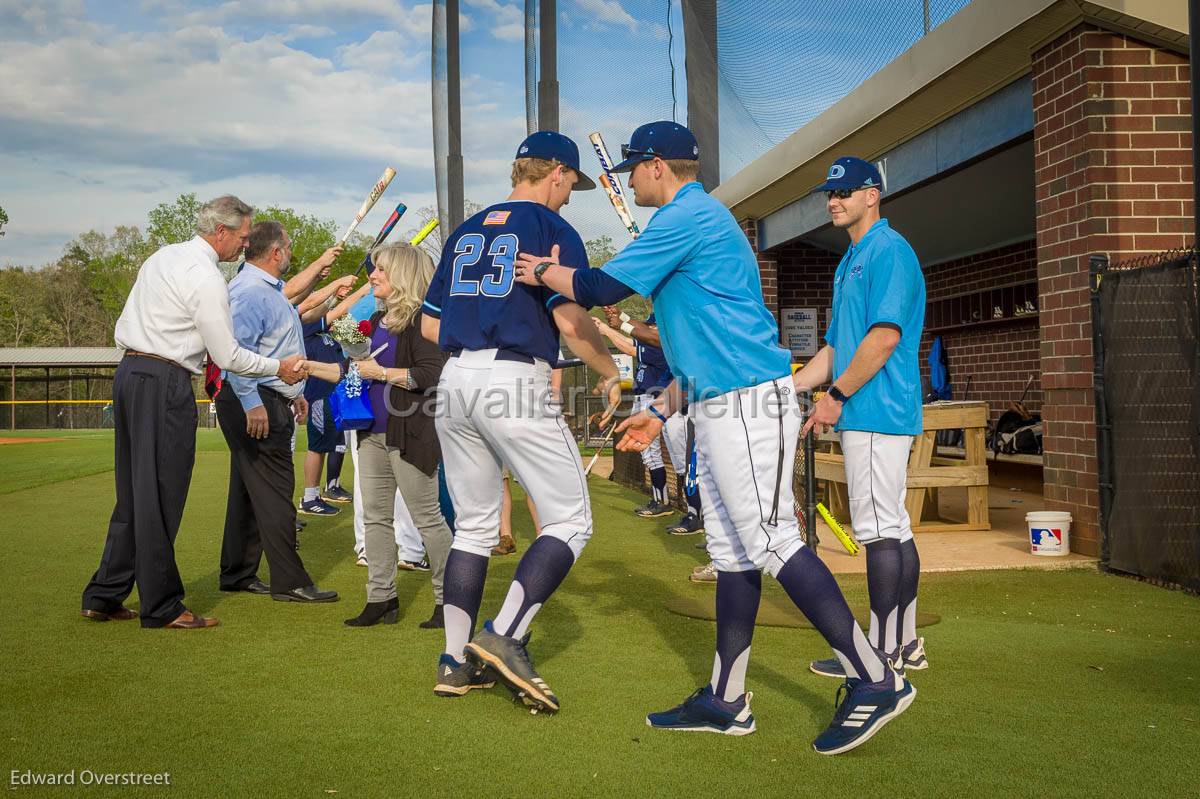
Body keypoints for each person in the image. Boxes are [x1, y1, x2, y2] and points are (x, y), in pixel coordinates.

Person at [513, 121, 913, 754]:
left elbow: (598, 288)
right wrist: (666, 409)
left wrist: (541, 270)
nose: (629, 183)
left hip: (751, 402)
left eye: (632, 171)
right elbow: (708, 345)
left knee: (774, 539)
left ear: (656, 168)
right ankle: (728, 699)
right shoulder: (688, 221)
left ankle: (875, 679)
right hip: (721, 398)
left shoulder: (687, 216)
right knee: (732, 550)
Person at [421, 131, 620, 708]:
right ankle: (503, 636)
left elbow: (431, 327)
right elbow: (570, 321)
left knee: (476, 528)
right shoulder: (552, 230)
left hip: (454, 377)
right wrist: (609, 372)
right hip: (513, 375)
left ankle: (454, 661)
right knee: (571, 520)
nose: (569, 196)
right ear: (555, 172)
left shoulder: (464, 231)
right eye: (571, 184)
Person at [81, 195, 306, 630]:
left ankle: (105, 593)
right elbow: (227, 354)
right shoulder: (206, 277)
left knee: (131, 493)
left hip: (129, 372)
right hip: (163, 381)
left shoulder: (163, 256)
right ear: (220, 232)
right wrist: (276, 367)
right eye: (242, 238)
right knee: (162, 495)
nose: (245, 246)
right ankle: (163, 604)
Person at [793, 157, 927, 678]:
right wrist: (796, 384)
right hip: (869, 408)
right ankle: (906, 643)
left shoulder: (888, 250)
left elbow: (884, 337)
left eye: (845, 191)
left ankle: (880, 652)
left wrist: (837, 396)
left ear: (872, 195)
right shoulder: (850, 259)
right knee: (894, 524)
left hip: (875, 408)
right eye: (830, 193)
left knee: (878, 531)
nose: (835, 200)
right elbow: (836, 347)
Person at [311, 242, 453, 629]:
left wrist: (383, 374)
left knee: (428, 520)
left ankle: (448, 602)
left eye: (381, 271)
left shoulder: (424, 321)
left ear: (402, 276)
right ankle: (381, 599)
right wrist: (309, 365)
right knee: (374, 518)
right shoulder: (373, 322)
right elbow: (354, 372)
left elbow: (431, 376)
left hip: (410, 433)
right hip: (370, 433)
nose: (373, 276)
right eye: (374, 270)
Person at [216, 220, 338, 603]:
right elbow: (236, 353)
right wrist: (254, 402)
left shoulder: (265, 289)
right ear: (275, 253)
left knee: (248, 489)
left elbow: (271, 346)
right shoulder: (251, 291)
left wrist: (293, 394)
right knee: (275, 491)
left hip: (270, 395)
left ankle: (238, 572)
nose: (290, 251)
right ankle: (290, 579)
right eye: (287, 246)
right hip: (254, 399)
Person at [595, 310, 703, 535]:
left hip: (668, 398)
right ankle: (680, 507)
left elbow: (629, 346)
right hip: (657, 397)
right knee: (660, 456)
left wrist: (608, 329)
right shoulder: (656, 339)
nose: (650, 329)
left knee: (684, 461)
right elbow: (639, 332)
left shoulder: (662, 346)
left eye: (654, 326)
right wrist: (620, 318)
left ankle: (691, 511)